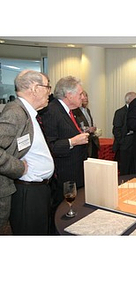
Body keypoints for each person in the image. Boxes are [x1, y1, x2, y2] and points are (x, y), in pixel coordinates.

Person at [0, 70, 54, 235]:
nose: (50, 92)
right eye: (47, 87)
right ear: (35, 88)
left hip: (38, 190)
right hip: (27, 193)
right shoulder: (15, 112)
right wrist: (18, 168)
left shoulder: (28, 113)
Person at [40, 76, 89, 222]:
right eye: (80, 94)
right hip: (63, 175)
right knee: (60, 215)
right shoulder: (52, 111)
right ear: (69, 95)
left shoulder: (71, 111)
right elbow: (50, 146)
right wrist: (72, 141)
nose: (83, 97)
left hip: (75, 171)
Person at [112, 91, 136, 175]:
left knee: (134, 169)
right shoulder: (120, 112)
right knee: (125, 169)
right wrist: (123, 142)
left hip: (135, 145)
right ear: (129, 100)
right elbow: (116, 130)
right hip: (124, 146)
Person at [73, 90, 100, 158]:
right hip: (83, 142)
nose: (85, 98)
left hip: (92, 141)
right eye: (83, 96)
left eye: (86, 96)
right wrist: (87, 129)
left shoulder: (87, 110)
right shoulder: (75, 111)